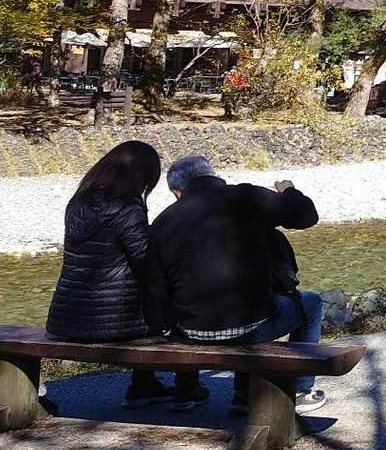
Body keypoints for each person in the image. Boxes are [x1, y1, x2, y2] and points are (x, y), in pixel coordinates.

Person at [150, 156, 330, 412]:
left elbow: (158, 289)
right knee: (311, 304)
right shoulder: (244, 197)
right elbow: (306, 216)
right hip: (253, 326)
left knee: (195, 300)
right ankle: (300, 389)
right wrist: (289, 191)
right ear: (213, 175)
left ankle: (188, 392)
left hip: (192, 334)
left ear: (177, 191)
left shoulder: (163, 222)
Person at [47, 141, 195, 409]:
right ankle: (187, 389)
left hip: (65, 318)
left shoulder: (78, 202)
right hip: (113, 324)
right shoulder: (127, 208)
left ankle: (144, 385)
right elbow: (145, 262)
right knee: (178, 304)